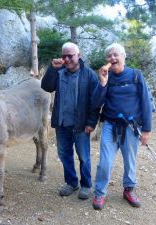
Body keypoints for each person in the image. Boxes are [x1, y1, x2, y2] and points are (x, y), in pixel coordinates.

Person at [91, 43, 152, 210]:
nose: (112, 58)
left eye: (115, 54)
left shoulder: (136, 75)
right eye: (109, 56)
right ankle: (100, 193)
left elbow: (146, 103)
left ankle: (129, 190)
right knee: (105, 162)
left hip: (131, 127)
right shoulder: (106, 76)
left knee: (130, 161)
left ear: (123, 56)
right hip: (110, 125)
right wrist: (102, 83)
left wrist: (147, 130)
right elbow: (96, 103)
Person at [41, 42, 99, 200]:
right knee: (64, 155)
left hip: (80, 125)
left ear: (78, 55)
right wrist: (52, 68)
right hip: (62, 123)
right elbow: (46, 86)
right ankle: (72, 183)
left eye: (70, 55)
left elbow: (95, 102)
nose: (67, 59)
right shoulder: (59, 72)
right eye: (64, 55)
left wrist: (91, 123)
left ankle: (86, 185)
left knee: (84, 157)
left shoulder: (89, 75)